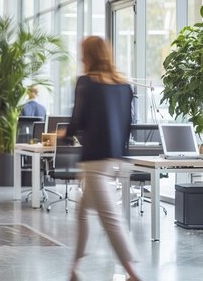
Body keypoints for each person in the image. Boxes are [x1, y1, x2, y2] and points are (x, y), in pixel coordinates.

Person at [60, 36, 141, 281]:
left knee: (110, 219)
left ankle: (133, 273)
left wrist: (66, 135)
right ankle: (75, 269)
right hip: (118, 159)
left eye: (83, 53)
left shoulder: (86, 83)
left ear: (89, 56)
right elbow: (129, 124)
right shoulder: (124, 86)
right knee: (83, 213)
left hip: (95, 161)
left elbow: (78, 120)